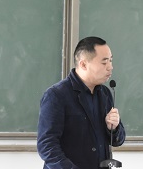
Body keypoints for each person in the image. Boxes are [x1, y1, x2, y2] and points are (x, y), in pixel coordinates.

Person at [37, 36, 126, 169]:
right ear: (83, 64)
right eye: (104, 62)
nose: (110, 67)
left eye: (111, 61)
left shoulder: (105, 93)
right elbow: (47, 146)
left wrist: (113, 128)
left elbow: (118, 140)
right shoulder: (56, 95)